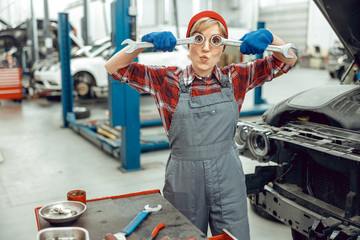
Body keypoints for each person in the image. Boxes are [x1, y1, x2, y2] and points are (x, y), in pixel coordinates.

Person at [105, 10, 297, 240]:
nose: (206, 49)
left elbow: (289, 59)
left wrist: (270, 38)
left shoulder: (236, 77)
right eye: (199, 39)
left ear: (223, 47)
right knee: (184, 236)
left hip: (228, 176)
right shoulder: (168, 80)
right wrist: (142, 44)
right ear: (188, 44)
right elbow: (114, 67)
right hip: (183, 180)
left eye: (215, 41)